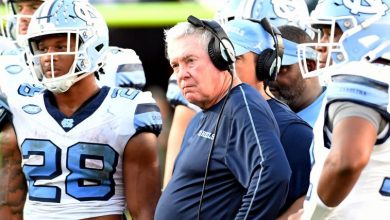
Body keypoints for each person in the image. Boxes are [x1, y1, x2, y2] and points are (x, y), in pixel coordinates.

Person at [2, 0, 163, 219]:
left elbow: (145, 212)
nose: (49, 57)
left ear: (91, 45)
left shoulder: (128, 111)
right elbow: (8, 204)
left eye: (60, 46)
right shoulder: (18, 105)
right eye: (42, 48)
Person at [155, 15, 291, 219]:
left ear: (222, 58)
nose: (181, 74)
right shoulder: (206, 112)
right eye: (176, 65)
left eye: (190, 61)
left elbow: (273, 172)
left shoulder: (242, 106)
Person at [289, 1, 390, 219]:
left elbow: (347, 161)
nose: (321, 44)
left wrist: (316, 215)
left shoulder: (363, 79)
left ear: (368, 32)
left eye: (330, 33)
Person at [224, 18, 313, 219]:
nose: (274, 76)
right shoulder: (211, 115)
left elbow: (303, 201)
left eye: (234, 57)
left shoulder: (295, 132)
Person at [0, 0, 146, 97]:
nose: (23, 16)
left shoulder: (116, 62)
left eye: (35, 7)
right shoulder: (6, 60)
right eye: (19, 8)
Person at [268, 25, 325, 127]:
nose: (269, 77)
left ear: (309, 66)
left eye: (279, 68)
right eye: (266, 67)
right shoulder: (264, 113)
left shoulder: (335, 116)